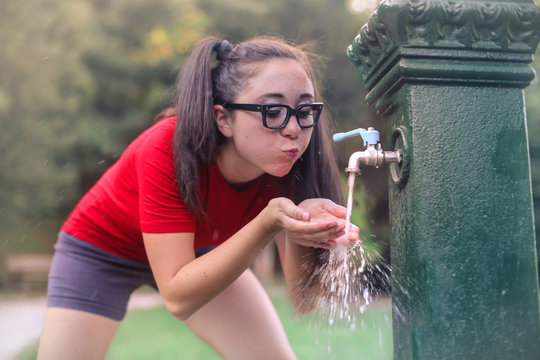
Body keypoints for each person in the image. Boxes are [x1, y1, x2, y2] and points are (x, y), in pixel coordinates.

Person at [37, 36, 359, 360]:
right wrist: (268, 224)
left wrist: (307, 228)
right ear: (223, 118)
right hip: (102, 250)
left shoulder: (287, 166)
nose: (293, 129)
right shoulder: (167, 146)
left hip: (200, 252)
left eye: (305, 110)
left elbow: (303, 301)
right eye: (272, 111)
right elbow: (178, 299)